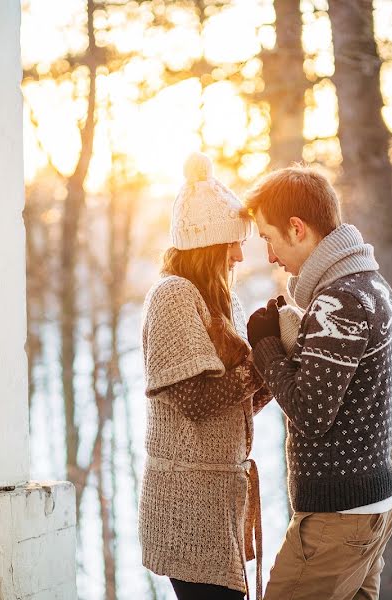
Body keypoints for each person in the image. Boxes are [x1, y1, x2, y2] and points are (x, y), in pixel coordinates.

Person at [244, 167, 392, 600]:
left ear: (297, 229)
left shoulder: (341, 299)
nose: (271, 255)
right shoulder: (374, 287)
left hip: (338, 519)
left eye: (268, 238)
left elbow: (312, 413)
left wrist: (264, 348)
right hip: (371, 509)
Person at [139, 152, 270, 600]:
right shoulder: (173, 297)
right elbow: (195, 402)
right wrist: (261, 364)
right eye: (233, 242)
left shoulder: (216, 303)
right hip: (186, 504)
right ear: (209, 244)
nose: (239, 253)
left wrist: (278, 361)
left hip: (217, 502)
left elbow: (237, 404)